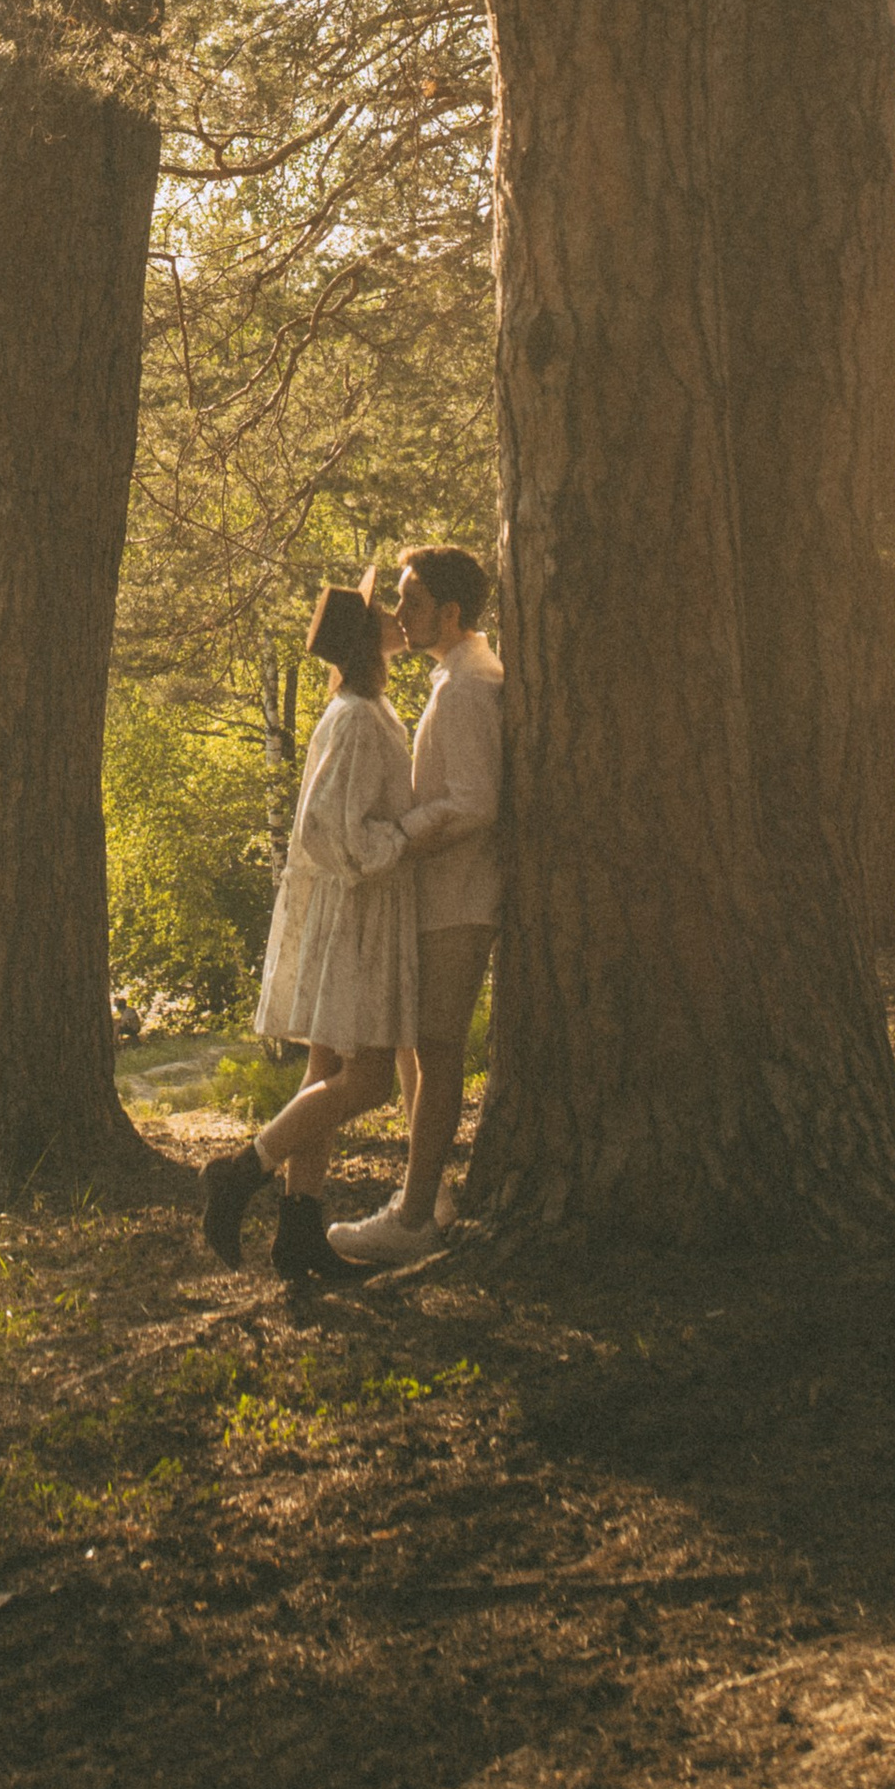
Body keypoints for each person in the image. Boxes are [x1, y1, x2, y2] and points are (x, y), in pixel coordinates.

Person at [202, 575, 416, 1287]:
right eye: (383, 612)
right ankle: (241, 1170)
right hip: (355, 910)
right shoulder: (355, 716)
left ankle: (299, 1231)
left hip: (357, 907)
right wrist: (404, 840)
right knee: (371, 1077)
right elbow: (331, 829)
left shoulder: (366, 707)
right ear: (366, 638)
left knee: (324, 1072)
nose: (395, 618)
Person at [330, 542, 502, 1266]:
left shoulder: (465, 687)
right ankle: (426, 1199)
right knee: (422, 1048)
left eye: (414, 602)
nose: (401, 615)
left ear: (452, 613)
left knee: (435, 1051)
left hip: (458, 894)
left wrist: (399, 836)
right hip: (443, 892)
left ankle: (415, 1216)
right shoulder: (458, 675)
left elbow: (473, 801)